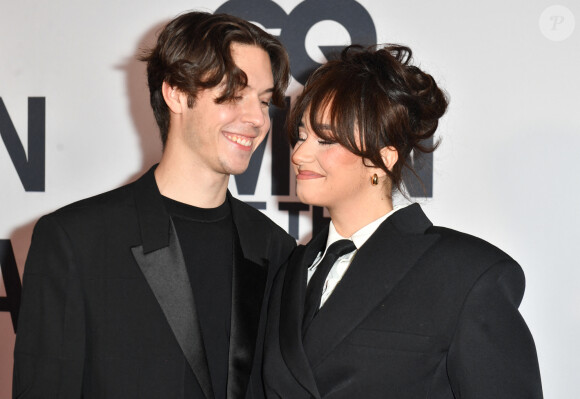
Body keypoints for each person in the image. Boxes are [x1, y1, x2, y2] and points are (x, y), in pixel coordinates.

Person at [13, 11, 295, 399]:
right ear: (176, 93)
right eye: (233, 95)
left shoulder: (275, 249)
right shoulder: (76, 242)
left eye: (263, 102)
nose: (256, 119)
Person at [262, 44, 543, 398]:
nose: (300, 154)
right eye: (302, 136)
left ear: (384, 158)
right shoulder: (288, 272)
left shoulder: (465, 274)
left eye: (325, 139)